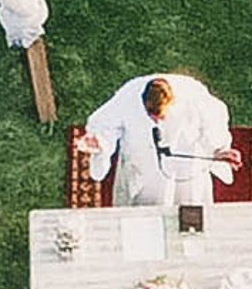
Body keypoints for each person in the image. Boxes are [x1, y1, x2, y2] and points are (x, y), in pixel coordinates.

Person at [74, 69, 238, 208]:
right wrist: (99, 142)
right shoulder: (128, 96)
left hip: (187, 164)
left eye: (160, 116)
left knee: (189, 215)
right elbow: (104, 124)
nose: (156, 121)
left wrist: (219, 150)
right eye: (150, 115)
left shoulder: (193, 94)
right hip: (143, 165)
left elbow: (214, 120)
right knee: (142, 218)